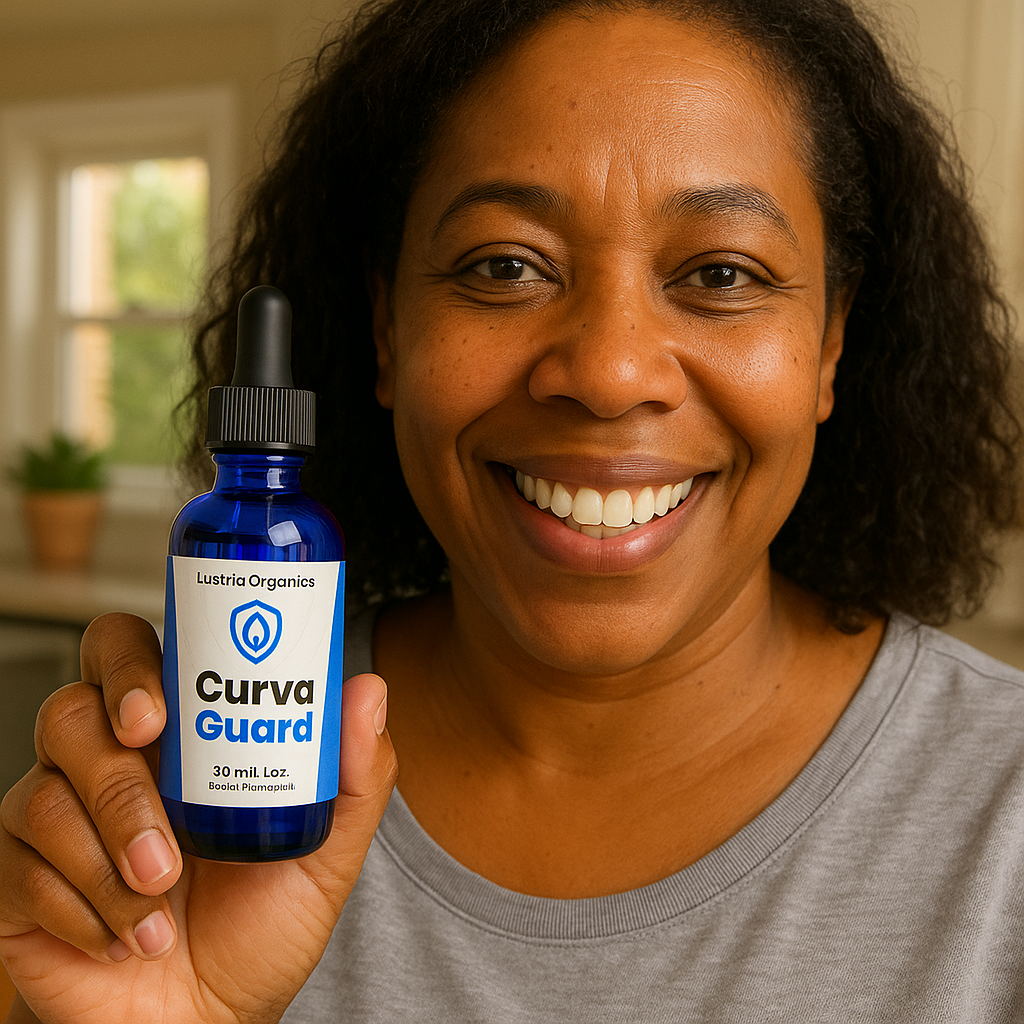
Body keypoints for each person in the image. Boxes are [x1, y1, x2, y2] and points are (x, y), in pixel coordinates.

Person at [1, 0, 1022, 1019]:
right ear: (388, 328)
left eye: (720, 273)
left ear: (829, 345)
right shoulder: (207, 788)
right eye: (504, 266)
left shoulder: (1003, 814)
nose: (610, 372)